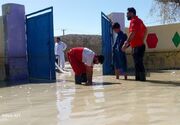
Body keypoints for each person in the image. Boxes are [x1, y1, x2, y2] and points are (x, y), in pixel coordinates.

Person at [122, 7, 147, 81]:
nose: (126, 15)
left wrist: (125, 44)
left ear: (131, 13)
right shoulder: (139, 21)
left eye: (127, 14)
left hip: (137, 47)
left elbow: (132, 33)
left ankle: (142, 81)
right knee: (138, 64)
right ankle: (140, 82)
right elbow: (145, 30)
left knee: (138, 65)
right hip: (140, 46)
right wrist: (142, 39)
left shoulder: (134, 21)